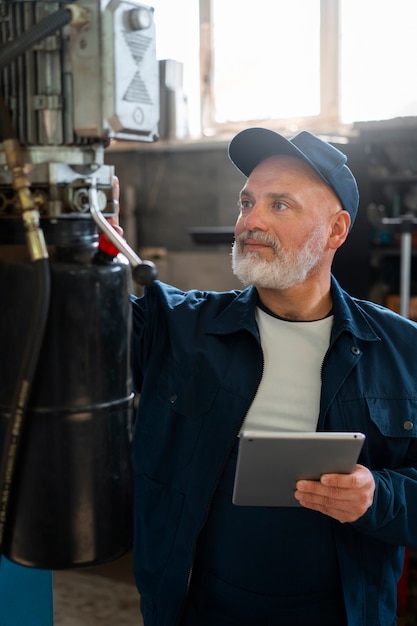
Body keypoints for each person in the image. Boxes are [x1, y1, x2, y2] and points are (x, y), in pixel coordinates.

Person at [117, 128, 417, 625]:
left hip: (338, 614)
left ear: (337, 231)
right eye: (246, 202)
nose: (249, 222)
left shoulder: (404, 350)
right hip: (198, 609)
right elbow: (75, 335)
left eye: (280, 205)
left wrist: (377, 494)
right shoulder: (176, 327)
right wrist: (91, 249)